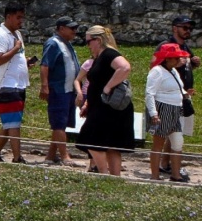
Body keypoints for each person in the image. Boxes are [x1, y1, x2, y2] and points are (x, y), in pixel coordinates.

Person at [76, 25, 134, 176]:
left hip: (107, 108)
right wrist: (88, 103)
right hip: (99, 107)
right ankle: (114, 177)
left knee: (91, 139)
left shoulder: (109, 54)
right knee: (111, 145)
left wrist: (108, 87)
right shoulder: (99, 57)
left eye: (88, 41)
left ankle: (103, 173)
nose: (87, 45)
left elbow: (125, 67)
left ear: (99, 40)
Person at [0, 2, 31, 163]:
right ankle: (17, 156)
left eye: (22, 18)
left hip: (18, 84)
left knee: (10, 121)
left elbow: (14, 57)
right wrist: (15, 49)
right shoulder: (0, 36)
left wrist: (25, 61)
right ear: (8, 17)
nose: (21, 21)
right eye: (18, 18)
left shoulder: (17, 34)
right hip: (5, 84)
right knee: (14, 124)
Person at [155, 15, 199, 175]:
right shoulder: (165, 46)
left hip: (183, 96)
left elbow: (184, 69)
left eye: (190, 28)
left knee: (175, 132)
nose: (188, 31)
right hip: (169, 97)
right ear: (175, 28)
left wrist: (192, 64)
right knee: (170, 132)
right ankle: (167, 168)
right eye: (185, 27)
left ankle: (166, 163)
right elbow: (155, 69)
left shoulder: (185, 48)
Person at [39, 16, 82, 166]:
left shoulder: (67, 44)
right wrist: (45, 86)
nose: (75, 31)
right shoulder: (53, 43)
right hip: (58, 90)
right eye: (72, 28)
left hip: (68, 90)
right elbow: (45, 65)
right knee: (58, 124)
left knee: (61, 124)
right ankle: (65, 157)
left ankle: (51, 156)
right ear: (61, 28)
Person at [145, 43, 190, 182]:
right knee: (159, 142)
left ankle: (175, 174)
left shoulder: (173, 71)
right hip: (162, 108)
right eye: (175, 58)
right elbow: (149, 93)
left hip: (175, 109)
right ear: (167, 59)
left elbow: (178, 87)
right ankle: (155, 175)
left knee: (177, 142)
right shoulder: (157, 71)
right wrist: (153, 113)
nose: (178, 60)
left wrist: (185, 94)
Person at [73, 58, 97, 172]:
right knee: (93, 129)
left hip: (102, 96)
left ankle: (96, 162)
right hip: (88, 95)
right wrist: (79, 93)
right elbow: (77, 79)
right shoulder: (89, 63)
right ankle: (93, 163)